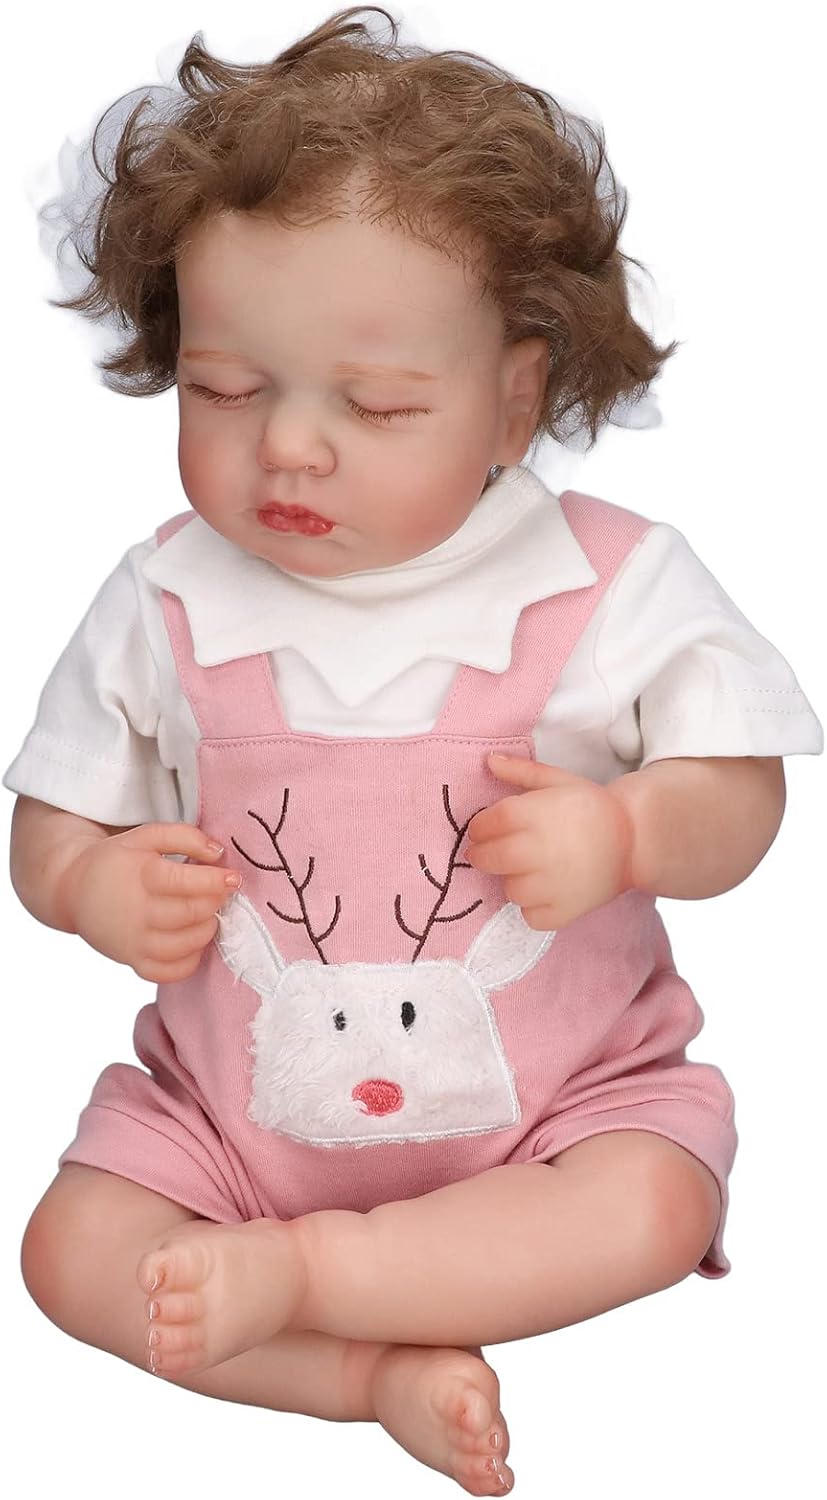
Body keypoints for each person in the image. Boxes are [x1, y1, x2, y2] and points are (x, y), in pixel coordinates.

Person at [5, 7, 822, 1496]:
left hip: (567, 1115)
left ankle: (313, 1277)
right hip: (230, 1132)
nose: (288, 446)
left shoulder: (609, 581)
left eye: (377, 405)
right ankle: (369, 1374)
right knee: (69, 1255)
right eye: (226, 389)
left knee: (652, 1203)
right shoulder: (165, 596)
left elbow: (745, 791)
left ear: (516, 398)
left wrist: (632, 832)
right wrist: (89, 884)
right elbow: (52, 826)